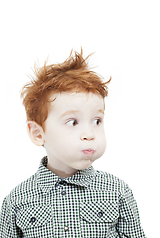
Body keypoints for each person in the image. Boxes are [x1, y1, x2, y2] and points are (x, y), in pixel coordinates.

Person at [0, 49, 146, 237]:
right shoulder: (17, 201)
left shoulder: (117, 191)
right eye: (73, 122)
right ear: (38, 133)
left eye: (97, 121)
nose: (89, 134)